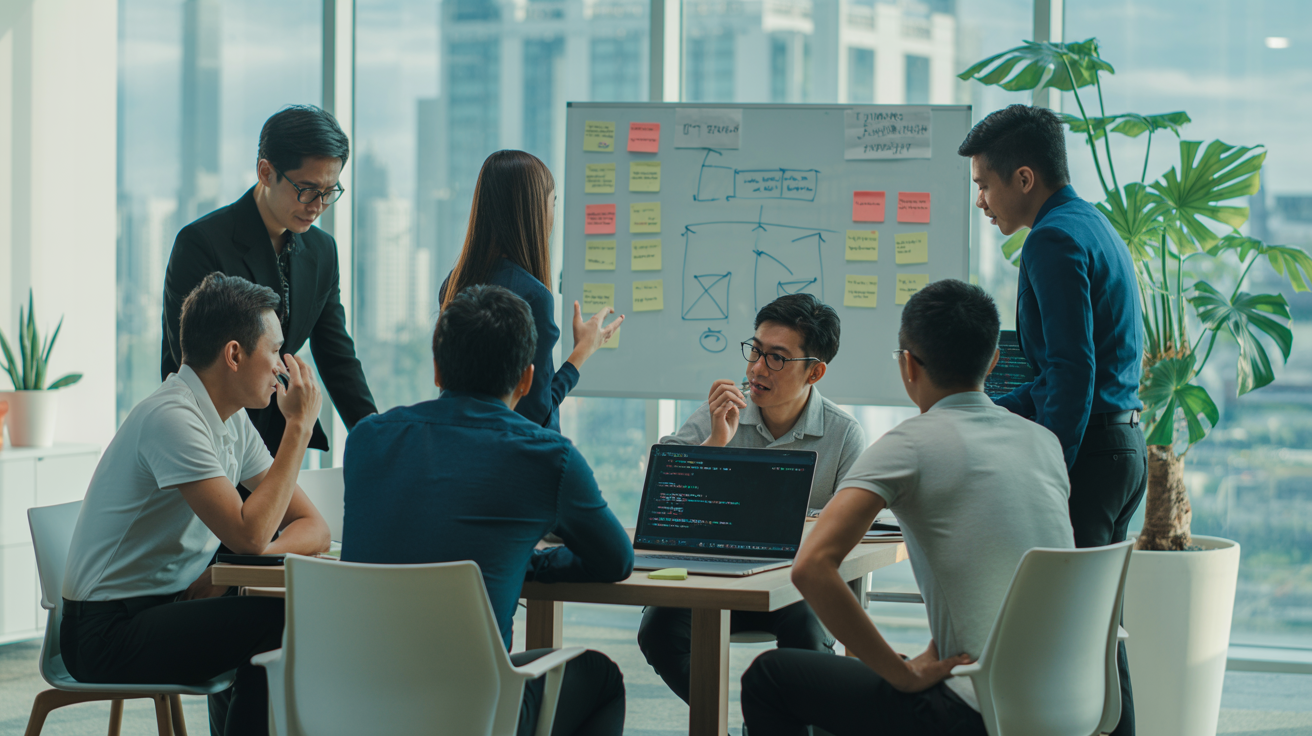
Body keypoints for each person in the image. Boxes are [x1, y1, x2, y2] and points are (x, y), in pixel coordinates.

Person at [740, 279, 1075, 736]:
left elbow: (811, 568)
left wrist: (901, 673)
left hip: (973, 714)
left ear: (908, 366)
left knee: (769, 676)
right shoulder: (1044, 442)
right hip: (1069, 704)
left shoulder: (907, 444)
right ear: (993, 361)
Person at [341, 284, 634, 736]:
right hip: (474, 714)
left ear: (437, 370)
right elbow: (616, 560)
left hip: (354, 702)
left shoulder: (367, 439)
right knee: (601, 678)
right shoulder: (548, 458)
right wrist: (530, 563)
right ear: (526, 379)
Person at [61, 274, 331, 736]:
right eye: (276, 351)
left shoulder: (232, 422)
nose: (285, 369)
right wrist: (298, 430)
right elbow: (249, 533)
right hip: (104, 632)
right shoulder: (172, 417)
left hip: (161, 607)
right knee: (281, 621)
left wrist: (231, 568)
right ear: (233, 354)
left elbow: (313, 527)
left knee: (281, 616)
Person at [959, 104, 1144, 735]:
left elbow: (1071, 375)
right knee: (1095, 636)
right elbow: (1057, 380)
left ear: (1024, 178)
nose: (980, 200)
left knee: (1074, 640)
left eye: (984, 184)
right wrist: (981, 411)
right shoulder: (1091, 224)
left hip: (1090, 455)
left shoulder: (1051, 239)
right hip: (1121, 449)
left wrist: (1049, 473)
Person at [637, 293, 867, 705]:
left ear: (814, 372)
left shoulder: (844, 434)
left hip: (796, 585)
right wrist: (716, 441)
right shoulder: (726, 410)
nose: (757, 368)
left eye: (776, 358)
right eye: (755, 351)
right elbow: (664, 493)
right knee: (657, 631)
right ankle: (718, 724)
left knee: (807, 641)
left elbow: (850, 529)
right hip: (715, 578)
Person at [163, 104, 376, 456]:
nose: (317, 205)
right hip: (207, 440)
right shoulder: (202, 244)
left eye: (329, 191)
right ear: (265, 172)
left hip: (280, 440)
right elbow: (191, 364)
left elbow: (337, 356)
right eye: (306, 189)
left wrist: (379, 437)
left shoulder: (323, 251)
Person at [439, 149, 621, 433]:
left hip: (457, 453)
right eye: (553, 202)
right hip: (517, 467)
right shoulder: (532, 296)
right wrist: (582, 352)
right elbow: (536, 415)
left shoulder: (453, 284)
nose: (553, 213)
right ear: (534, 211)